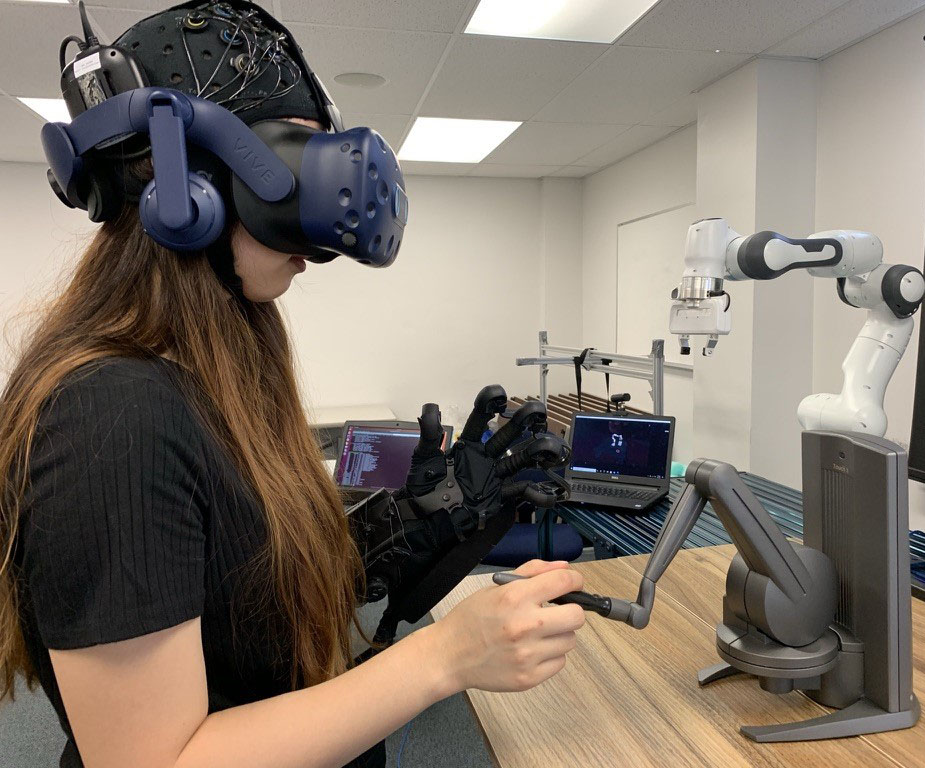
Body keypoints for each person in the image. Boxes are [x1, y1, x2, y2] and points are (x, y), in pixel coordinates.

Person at [0, 3, 585, 767]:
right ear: (185, 177)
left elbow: (236, 597)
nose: (323, 230)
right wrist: (444, 657)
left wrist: (408, 527)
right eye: (299, 168)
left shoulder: (211, 374)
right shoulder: (110, 418)